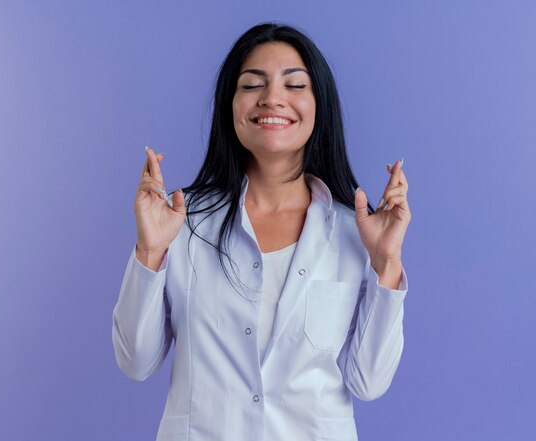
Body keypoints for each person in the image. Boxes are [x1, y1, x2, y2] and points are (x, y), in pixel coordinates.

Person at [112, 22, 411, 441]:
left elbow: (369, 381)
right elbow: (135, 361)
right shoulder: (182, 222)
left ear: (319, 105)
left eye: (295, 85)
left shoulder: (355, 232)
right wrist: (150, 250)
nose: (272, 98)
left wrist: (386, 263)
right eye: (253, 84)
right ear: (230, 106)